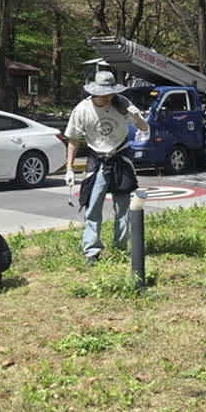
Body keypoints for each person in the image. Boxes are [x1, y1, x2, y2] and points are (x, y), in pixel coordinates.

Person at [64, 70, 150, 266]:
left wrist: (137, 117)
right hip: (98, 159)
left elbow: (144, 128)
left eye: (111, 93)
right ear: (95, 91)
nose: (108, 97)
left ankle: (120, 248)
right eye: (104, 94)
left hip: (120, 156)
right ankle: (92, 251)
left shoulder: (122, 104)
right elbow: (73, 139)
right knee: (93, 205)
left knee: (123, 208)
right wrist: (69, 168)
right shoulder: (82, 109)